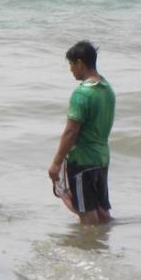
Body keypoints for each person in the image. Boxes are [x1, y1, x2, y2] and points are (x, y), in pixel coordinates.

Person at [47, 40, 115, 225]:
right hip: (101, 159)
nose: (70, 69)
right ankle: (103, 247)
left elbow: (71, 131)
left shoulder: (82, 94)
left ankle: (89, 251)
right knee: (103, 214)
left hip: (82, 162)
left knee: (88, 217)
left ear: (80, 63)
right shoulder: (107, 88)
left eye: (71, 64)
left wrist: (56, 163)